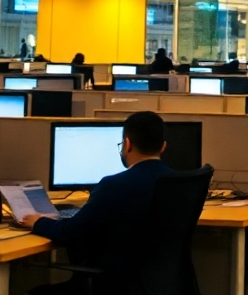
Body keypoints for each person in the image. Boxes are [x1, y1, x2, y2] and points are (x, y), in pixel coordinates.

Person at [22, 111, 172, 282]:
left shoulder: (114, 185)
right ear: (163, 147)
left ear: (127, 144)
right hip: (164, 283)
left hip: (116, 284)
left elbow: (71, 233)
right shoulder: (180, 183)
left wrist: (38, 222)